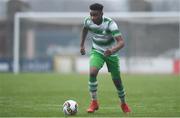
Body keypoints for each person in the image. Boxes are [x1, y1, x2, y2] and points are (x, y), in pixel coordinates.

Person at [80, 3, 131, 113]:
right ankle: (94, 102)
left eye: (95, 15)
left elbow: (121, 42)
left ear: (102, 14)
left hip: (111, 53)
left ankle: (123, 103)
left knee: (117, 81)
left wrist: (112, 50)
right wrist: (82, 45)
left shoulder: (110, 24)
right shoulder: (88, 21)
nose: (93, 17)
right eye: (91, 14)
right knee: (92, 72)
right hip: (97, 51)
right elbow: (85, 29)